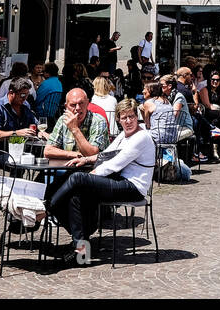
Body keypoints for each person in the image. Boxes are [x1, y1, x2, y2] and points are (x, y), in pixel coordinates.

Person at [45, 98, 157, 265]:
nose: (128, 121)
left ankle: (46, 208)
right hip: (119, 181)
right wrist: (86, 160)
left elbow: (114, 164)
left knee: (78, 178)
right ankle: (81, 252)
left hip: (132, 187)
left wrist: (91, 175)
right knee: (75, 196)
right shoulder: (123, 135)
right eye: (124, 117)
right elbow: (106, 154)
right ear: (118, 119)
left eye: (131, 117)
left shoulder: (141, 137)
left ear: (137, 117)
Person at [45, 87, 110, 163]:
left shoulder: (98, 121)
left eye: (81, 103)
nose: (78, 108)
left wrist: (74, 129)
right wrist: (76, 155)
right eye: (73, 105)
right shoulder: (63, 120)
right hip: (67, 167)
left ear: (87, 103)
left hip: (91, 170)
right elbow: (48, 151)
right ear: (66, 107)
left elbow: (92, 154)